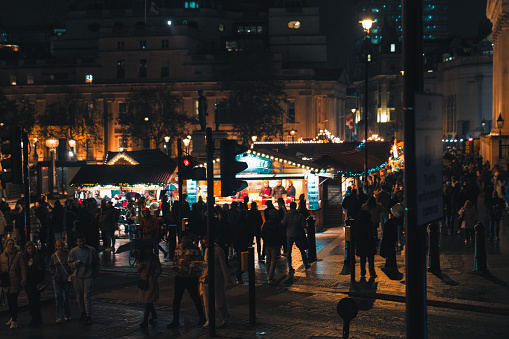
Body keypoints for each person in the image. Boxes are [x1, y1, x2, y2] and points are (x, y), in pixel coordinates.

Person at [167, 233, 206, 328]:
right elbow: (175, 260)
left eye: (188, 238)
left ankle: (202, 318)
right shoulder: (178, 248)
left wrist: (188, 264)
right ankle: (175, 320)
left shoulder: (195, 248)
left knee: (195, 297)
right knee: (176, 299)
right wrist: (174, 267)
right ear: (181, 239)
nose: (187, 240)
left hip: (191, 277)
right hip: (180, 276)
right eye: (185, 238)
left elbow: (199, 263)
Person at [197, 237, 232, 329]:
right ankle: (209, 320)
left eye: (206, 243)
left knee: (219, 301)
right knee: (206, 301)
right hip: (206, 276)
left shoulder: (218, 251)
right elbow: (206, 263)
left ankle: (225, 317)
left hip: (216, 277)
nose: (205, 245)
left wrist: (226, 278)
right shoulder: (207, 250)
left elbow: (223, 265)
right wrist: (199, 263)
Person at [68, 235, 100, 325]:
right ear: (77, 242)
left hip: (88, 275)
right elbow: (70, 264)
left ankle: (88, 314)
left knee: (87, 296)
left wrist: (95, 272)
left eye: (83, 241)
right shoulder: (74, 251)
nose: (81, 243)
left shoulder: (91, 250)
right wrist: (75, 264)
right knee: (79, 297)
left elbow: (97, 262)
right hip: (78, 276)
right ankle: (83, 311)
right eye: (79, 241)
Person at [1, 238, 27, 329]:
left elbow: (23, 267)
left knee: (13, 300)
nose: (11, 246)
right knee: (9, 300)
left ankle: (14, 320)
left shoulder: (19, 254)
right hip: (7, 281)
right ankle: (12, 317)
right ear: (6, 246)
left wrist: (23, 279)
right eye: (9, 244)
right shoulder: (2, 256)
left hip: (15, 281)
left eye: (13, 244)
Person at [282, 202, 311, 275]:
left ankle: (290, 266)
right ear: (295, 207)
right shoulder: (299, 216)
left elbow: (283, 224)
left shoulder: (287, 215)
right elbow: (303, 225)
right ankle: (305, 264)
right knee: (301, 249)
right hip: (297, 234)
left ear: (290, 207)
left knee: (289, 251)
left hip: (289, 234)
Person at [137, 246, 162, 327]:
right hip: (143, 280)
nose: (149, 250)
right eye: (147, 248)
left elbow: (159, 270)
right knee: (148, 300)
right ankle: (154, 314)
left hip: (151, 281)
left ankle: (145, 320)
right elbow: (138, 270)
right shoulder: (141, 257)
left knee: (148, 301)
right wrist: (140, 267)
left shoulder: (154, 257)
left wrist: (153, 276)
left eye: (150, 248)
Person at [49, 240, 72, 323]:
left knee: (66, 298)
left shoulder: (69, 255)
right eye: (58, 246)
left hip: (66, 279)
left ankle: (67, 314)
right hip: (57, 279)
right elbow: (51, 267)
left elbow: (71, 266)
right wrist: (55, 275)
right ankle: (59, 316)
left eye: (61, 246)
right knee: (58, 297)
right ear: (56, 247)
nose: (60, 247)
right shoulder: (54, 256)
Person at [24, 241, 45, 328]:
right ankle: (35, 319)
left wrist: (39, 280)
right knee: (31, 302)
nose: (30, 250)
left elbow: (42, 270)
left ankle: (37, 319)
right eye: (29, 248)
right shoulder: (25, 258)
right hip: (28, 283)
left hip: (35, 283)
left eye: (32, 248)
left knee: (35, 302)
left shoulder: (38, 257)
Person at [261, 209, 283, 284]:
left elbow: (262, 233)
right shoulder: (278, 224)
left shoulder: (266, 223)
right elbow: (281, 234)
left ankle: (269, 275)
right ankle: (270, 277)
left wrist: (265, 240)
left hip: (267, 244)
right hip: (275, 244)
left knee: (268, 260)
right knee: (274, 261)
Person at [355, 210, 377, 280]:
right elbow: (372, 233)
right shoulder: (369, 223)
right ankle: (372, 273)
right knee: (371, 259)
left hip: (361, 244)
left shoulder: (358, 223)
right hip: (369, 243)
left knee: (362, 259)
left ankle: (362, 273)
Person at [380, 204, 403, 270]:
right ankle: (392, 264)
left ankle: (389, 264)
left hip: (388, 241)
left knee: (389, 253)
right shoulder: (393, 223)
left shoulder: (388, 223)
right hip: (391, 241)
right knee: (392, 253)